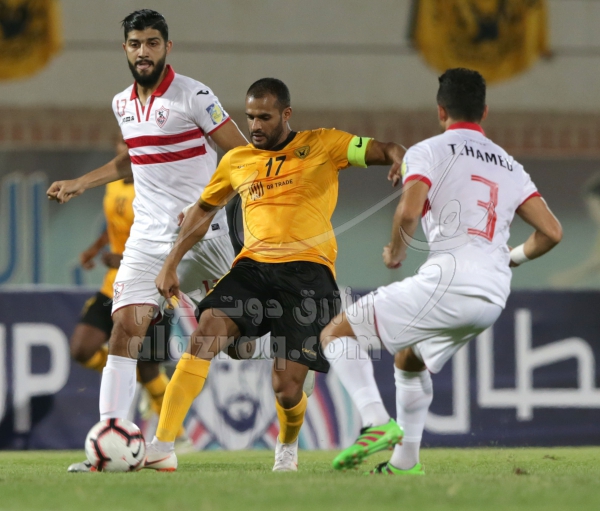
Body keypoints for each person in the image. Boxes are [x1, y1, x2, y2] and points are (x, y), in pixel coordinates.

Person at [147, 77, 404, 472]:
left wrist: (400, 157)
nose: (255, 126)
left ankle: (287, 445)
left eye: (264, 117)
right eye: (250, 117)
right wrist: (170, 262)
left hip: (308, 274)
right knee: (204, 336)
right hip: (253, 267)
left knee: (286, 389)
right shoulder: (236, 161)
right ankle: (162, 446)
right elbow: (202, 211)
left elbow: (383, 149)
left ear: (286, 114)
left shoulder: (323, 143)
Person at [320, 68, 563, 474]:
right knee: (409, 360)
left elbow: (408, 212)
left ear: (440, 111)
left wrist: (396, 253)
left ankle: (375, 422)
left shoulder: (428, 150)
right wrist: (512, 258)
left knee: (336, 332)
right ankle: (405, 464)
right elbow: (552, 232)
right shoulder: (510, 166)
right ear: (484, 111)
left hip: (450, 282)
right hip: (492, 296)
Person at [46, 10, 248, 470]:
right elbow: (134, 158)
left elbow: (242, 157)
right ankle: (109, 443)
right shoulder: (121, 103)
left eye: (152, 43)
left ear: (167, 47)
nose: (144, 51)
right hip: (148, 238)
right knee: (125, 328)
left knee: (242, 344)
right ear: (125, 49)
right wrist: (82, 182)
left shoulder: (194, 95)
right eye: (136, 43)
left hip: (206, 235)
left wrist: (207, 204)